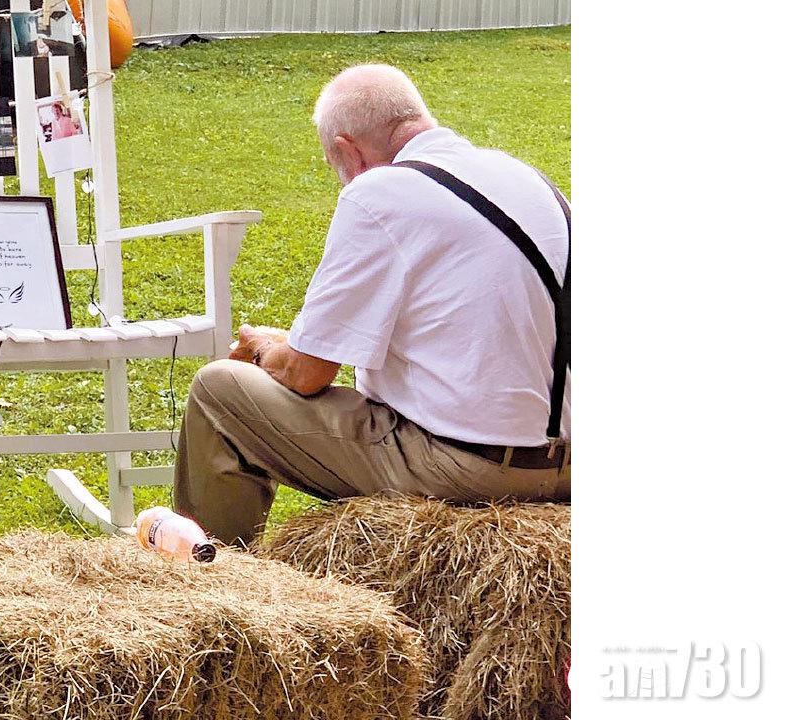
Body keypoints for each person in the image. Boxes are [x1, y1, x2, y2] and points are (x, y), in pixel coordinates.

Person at [172, 64, 571, 547]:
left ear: (347, 150)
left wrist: (263, 349)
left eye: (333, 166)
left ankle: (212, 581)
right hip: (568, 464)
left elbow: (307, 374)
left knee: (219, 391)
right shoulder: (528, 180)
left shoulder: (379, 192)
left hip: (471, 470)